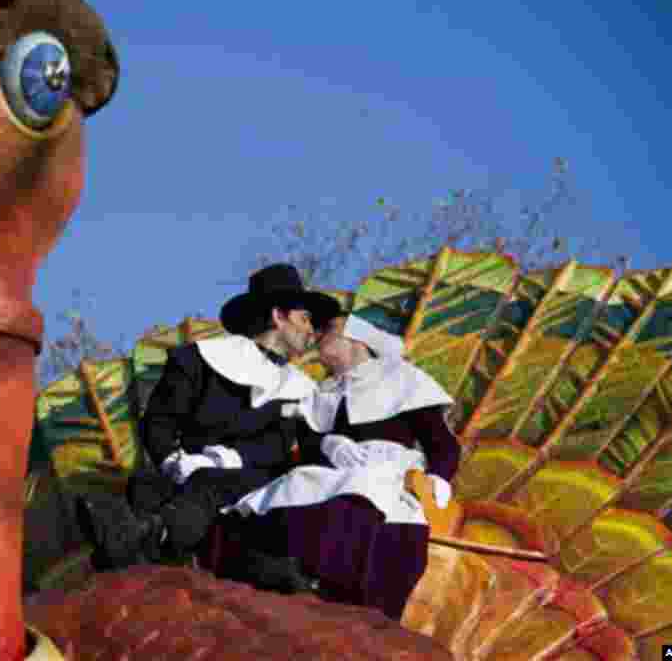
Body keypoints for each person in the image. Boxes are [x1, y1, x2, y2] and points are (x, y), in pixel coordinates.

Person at [75, 263, 340, 585]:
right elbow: (159, 421)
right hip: (183, 470)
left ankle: (141, 535)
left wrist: (224, 460)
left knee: (208, 485)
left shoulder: (301, 388)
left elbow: (277, 446)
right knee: (147, 485)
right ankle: (131, 551)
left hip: (254, 480)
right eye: (305, 318)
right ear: (278, 317)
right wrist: (173, 461)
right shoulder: (196, 358)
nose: (312, 330)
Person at [226, 313, 461, 620]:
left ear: (357, 339)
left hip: (383, 471)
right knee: (287, 489)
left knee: (361, 490)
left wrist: (439, 477)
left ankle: (323, 580)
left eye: (329, 329)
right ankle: (281, 571)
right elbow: (307, 441)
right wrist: (326, 444)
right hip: (326, 471)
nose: (318, 334)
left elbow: (441, 441)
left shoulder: (403, 378)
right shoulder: (321, 390)